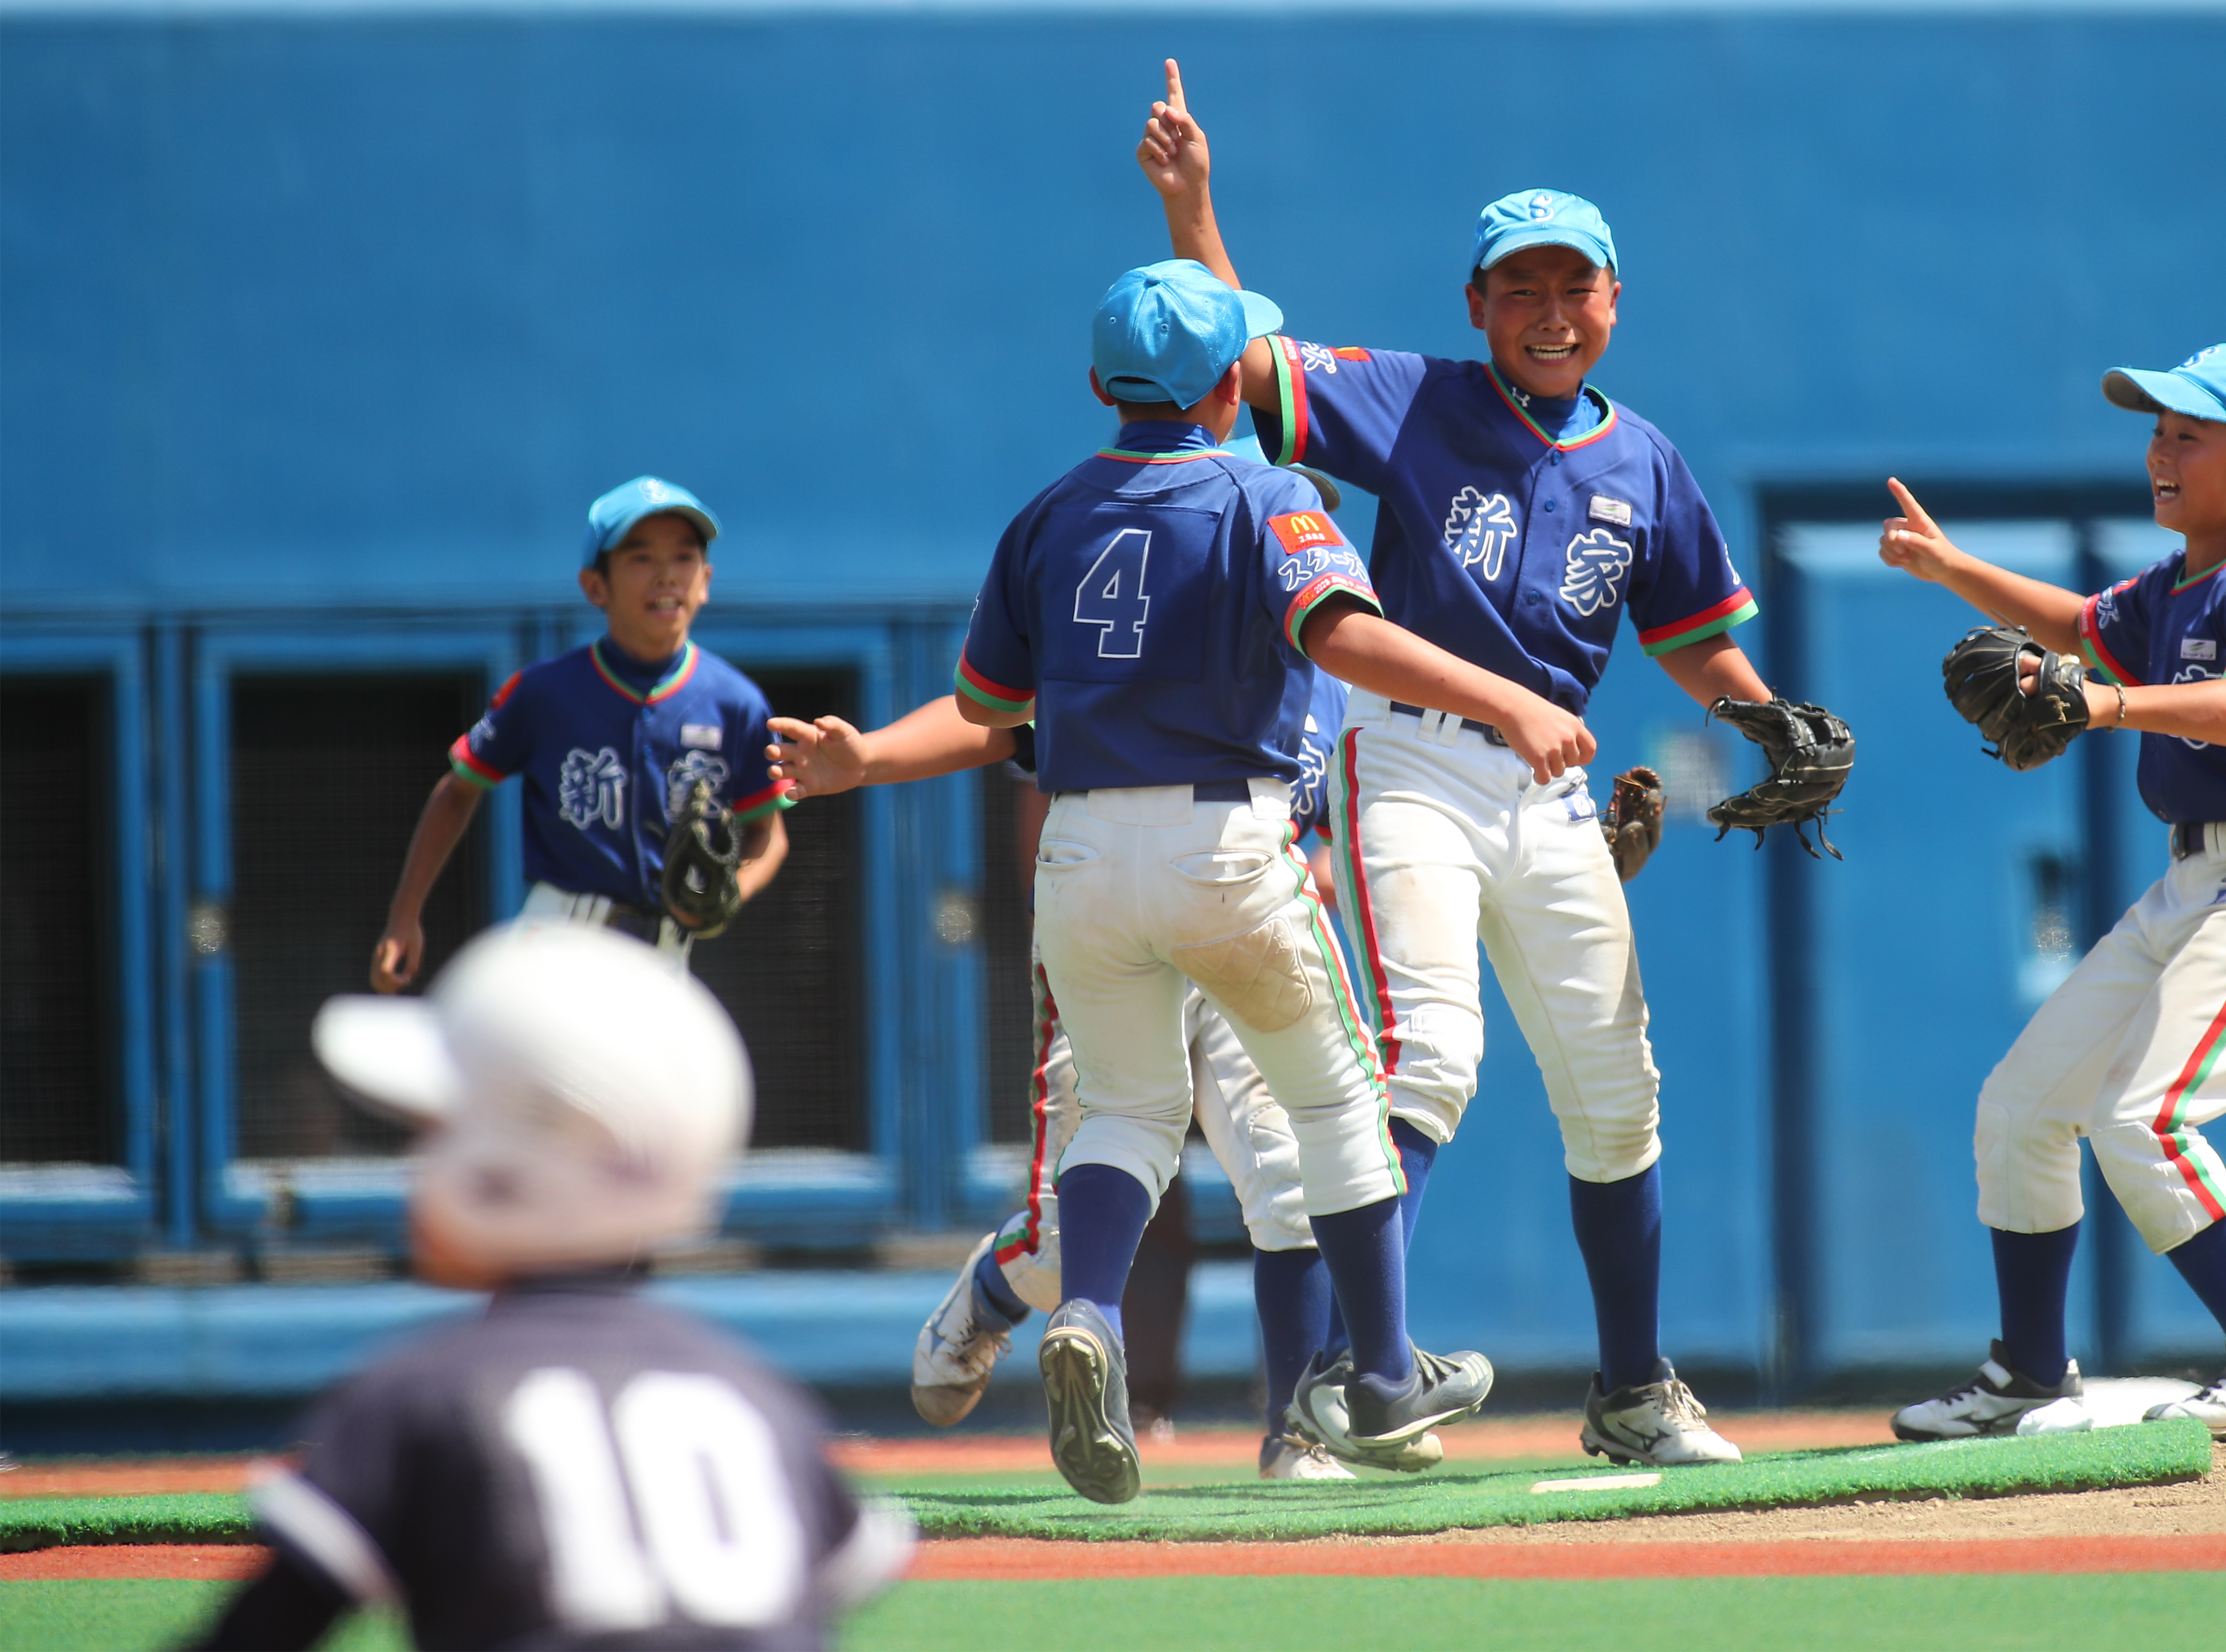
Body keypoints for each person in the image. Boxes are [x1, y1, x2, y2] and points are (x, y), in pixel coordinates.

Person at [1137, 60, 1778, 1465]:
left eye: (1576, 288)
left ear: (1615, 301)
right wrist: (1196, 206)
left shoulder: (1648, 462)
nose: (1552, 314)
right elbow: (1251, 367)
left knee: (1616, 1088)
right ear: (1476, 305)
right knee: (1432, 1054)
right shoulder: (1420, 402)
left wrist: (1767, 719)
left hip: (1546, 789)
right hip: (1413, 764)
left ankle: (1628, 1392)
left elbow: (1691, 638)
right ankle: (1342, 1383)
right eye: (1522, 289)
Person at [950, 255, 1593, 1502]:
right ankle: (1388, 1375)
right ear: (1221, 390)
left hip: (1079, 848)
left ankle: (1088, 1308)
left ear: (1101, 384)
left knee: (1128, 1116)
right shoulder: (1266, 492)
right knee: (1343, 1109)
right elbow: (1342, 636)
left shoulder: (1044, 515)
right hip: (1226, 841)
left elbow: (987, 703)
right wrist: (1510, 697)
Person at [1878, 345, 2226, 1442]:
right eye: (2154, 430)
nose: (2158, 449)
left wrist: (2100, 709)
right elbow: (2071, 625)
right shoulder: (2176, 584)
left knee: (2142, 1116)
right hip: (2195, 881)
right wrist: (1948, 567)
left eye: (2186, 435)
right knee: (2019, 1108)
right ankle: (2024, 1374)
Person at [193, 922, 913, 1650]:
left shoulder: (419, 1392)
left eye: (440, 1131)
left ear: (516, 1166)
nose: (420, 1161)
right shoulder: (761, 1398)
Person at [769, 657, 1388, 1481]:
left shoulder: (1338, 655)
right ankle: (993, 1284)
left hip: (1251, 926)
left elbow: (1371, 812)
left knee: (1296, 1176)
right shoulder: (1156, 600)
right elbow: (1004, 716)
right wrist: (874, 755)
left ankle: (1296, 1434)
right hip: (1121, 927)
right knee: (1076, 1235)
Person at [370, 477, 791, 989]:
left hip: (665, 957)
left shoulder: (736, 703)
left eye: (683, 559)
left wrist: (730, 892)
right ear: (596, 586)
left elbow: (767, 833)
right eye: (640, 558)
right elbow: (458, 791)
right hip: (559, 937)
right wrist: (405, 914)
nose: (665, 576)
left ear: (705, 580)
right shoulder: (546, 692)